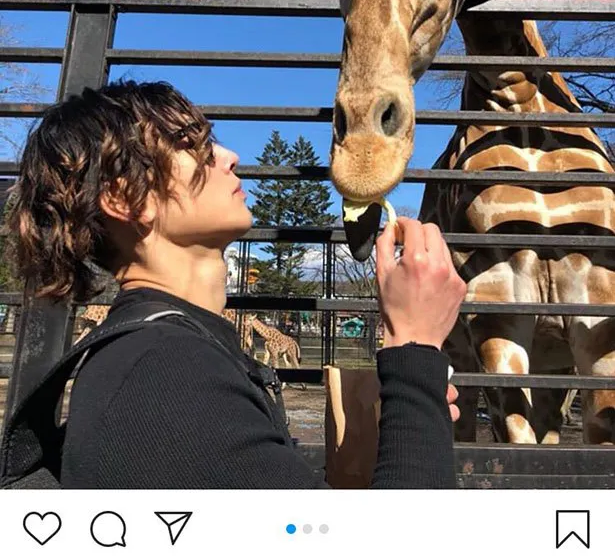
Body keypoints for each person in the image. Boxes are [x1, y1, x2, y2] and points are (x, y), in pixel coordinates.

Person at [5, 79, 466, 489]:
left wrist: (413, 411)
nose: (229, 156)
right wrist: (415, 343)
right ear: (126, 198)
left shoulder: (174, 357)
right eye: (197, 146)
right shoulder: (164, 377)